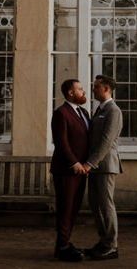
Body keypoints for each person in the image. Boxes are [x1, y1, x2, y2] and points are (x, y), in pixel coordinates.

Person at [83, 74, 123, 261]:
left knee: (106, 205)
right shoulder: (100, 109)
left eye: (96, 87)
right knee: (95, 204)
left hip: (105, 165)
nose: (93, 89)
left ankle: (111, 245)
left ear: (106, 88)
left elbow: (106, 141)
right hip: (96, 165)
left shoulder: (113, 111)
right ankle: (104, 241)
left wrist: (91, 162)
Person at [51, 78, 91, 262]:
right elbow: (62, 142)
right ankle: (62, 248)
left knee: (74, 209)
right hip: (67, 170)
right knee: (65, 209)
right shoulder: (61, 113)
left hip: (82, 170)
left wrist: (87, 164)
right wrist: (74, 163)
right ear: (70, 93)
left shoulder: (83, 112)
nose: (84, 92)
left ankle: (65, 243)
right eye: (80, 89)